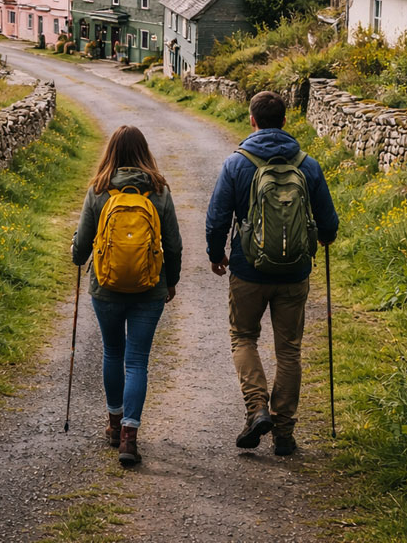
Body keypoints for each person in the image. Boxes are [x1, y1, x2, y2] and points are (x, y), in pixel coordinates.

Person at [205, 91, 339, 456]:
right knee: (289, 351)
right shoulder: (307, 164)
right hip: (294, 272)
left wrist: (217, 255)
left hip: (248, 270)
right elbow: (328, 221)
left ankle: (257, 408)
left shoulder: (237, 164)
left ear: (252, 120)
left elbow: (218, 217)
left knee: (244, 338)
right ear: (285, 121)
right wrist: (324, 238)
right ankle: (283, 432)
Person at [72, 126, 182, 466]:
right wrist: (171, 281)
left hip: (106, 287)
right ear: (144, 151)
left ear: (111, 152)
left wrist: (76, 254)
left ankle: (113, 421)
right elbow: (174, 245)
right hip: (150, 287)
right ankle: (129, 437)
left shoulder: (99, 189)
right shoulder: (159, 190)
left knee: (112, 352)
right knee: (137, 360)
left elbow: (81, 248)